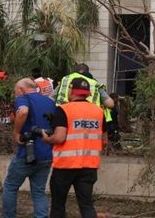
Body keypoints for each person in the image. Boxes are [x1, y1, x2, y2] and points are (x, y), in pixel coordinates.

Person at [42, 78, 105, 218]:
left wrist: (47, 139)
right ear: (87, 93)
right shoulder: (99, 111)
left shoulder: (64, 109)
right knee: (86, 205)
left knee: (58, 205)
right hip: (89, 166)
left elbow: (59, 138)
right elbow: (104, 140)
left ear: (71, 91)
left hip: (65, 166)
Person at [2, 78, 57, 218]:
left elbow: (23, 112)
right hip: (46, 154)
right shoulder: (50, 102)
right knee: (38, 192)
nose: (16, 94)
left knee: (10, 187)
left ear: (21, 89)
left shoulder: (23, 98)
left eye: (16, 91)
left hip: (27, 153)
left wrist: (16, 133)